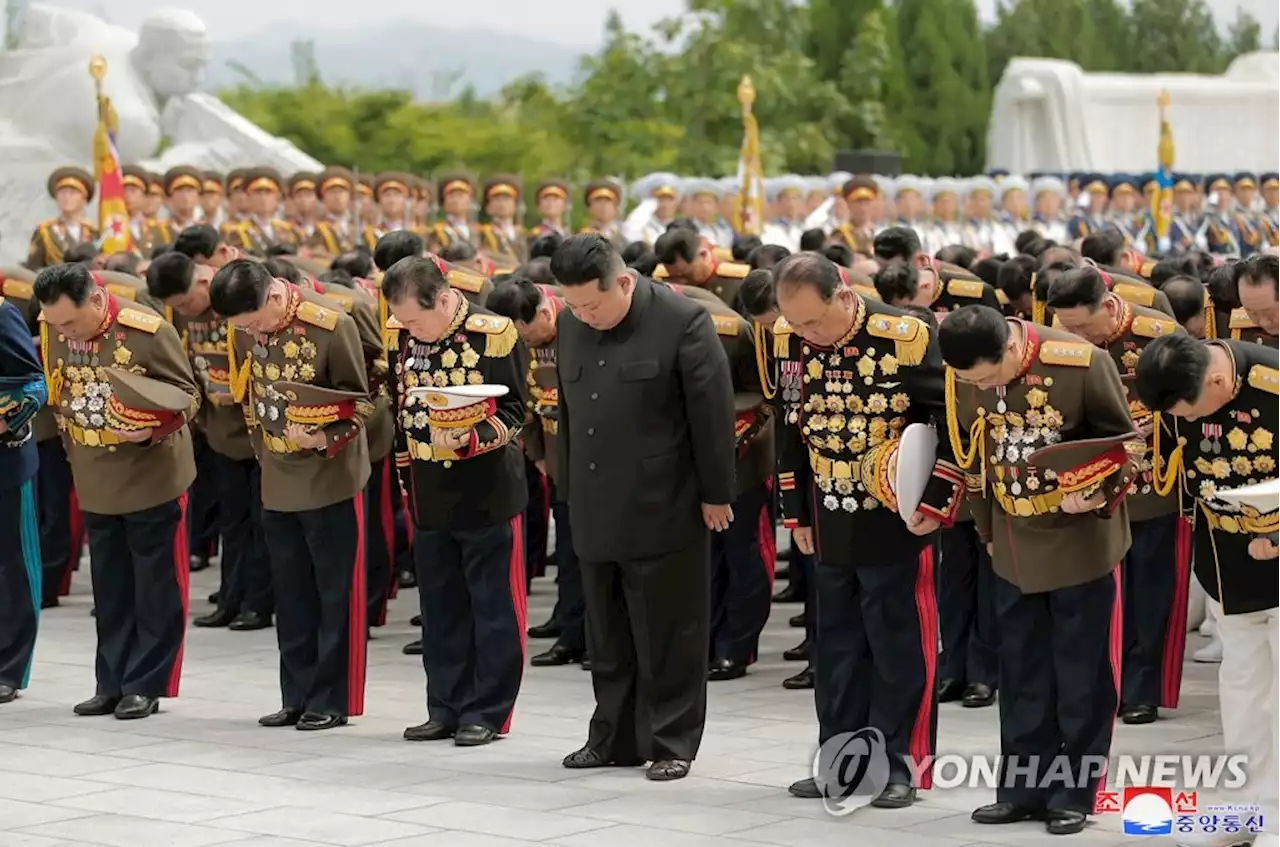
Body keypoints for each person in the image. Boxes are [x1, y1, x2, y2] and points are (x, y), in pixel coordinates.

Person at [772, 253, 963, 807]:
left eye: (814, 321)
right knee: (835, 645)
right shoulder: (792, 337)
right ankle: (840, 758)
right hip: (827, 512)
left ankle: (899, 763)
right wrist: (795, 511)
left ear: (843, 294)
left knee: (896, 639)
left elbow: (945, 420)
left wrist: (936, 501)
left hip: (894, 513)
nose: (806, 333)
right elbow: (791, 422)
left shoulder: (903, 335)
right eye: (796, 323)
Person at [940, 304, 1137, 835]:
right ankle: (1022, 790)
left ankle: (1075, 791)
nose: (983, 386)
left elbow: (1125, 445)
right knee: (1022, 671)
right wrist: (983, 530)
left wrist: (1095, 492)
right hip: (1011, 542)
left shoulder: (1079, 362)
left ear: (1009, 348)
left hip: (1079, 542)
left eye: (989, 376)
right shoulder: (963, 374)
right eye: (971, 380)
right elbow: (974, 458)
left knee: (1081, 673)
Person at [550, 234, 735, 781]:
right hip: (593, 502)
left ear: (624, 281)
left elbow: (712, 415)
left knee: (669, 632)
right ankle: (612, 737)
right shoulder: (570, 324)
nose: (584, 315)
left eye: (593, 304)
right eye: (574, 305)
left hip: (665, 503)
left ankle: (671, 739)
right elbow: (565, 410)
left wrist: (716, 493)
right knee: (606, 634)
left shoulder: (682, 320)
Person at [211, 258, 371, 731]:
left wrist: (324, 437)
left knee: (332, 592)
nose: (252, 333)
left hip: (328, 472)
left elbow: (362, 398)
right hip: (277, 474)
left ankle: (332, 698)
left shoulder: (329, 324)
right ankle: (296, 693)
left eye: (256, 321)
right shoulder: (243, 329)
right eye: (243, 327)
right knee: (292, 592)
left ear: (275, 296)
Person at [34, 263, 200, 719]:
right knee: (109, 587)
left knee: (154, 584)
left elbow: (187, 395)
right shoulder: (54, 329)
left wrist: (147, 432)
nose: (64, 331)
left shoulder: (145, 330)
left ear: (93, 300)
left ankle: (146, 683)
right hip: (94, 477)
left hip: (150, 473)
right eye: (55, 323)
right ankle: (109, 681)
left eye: (70, 321)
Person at [1135, 333, 1280, 847]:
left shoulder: (1272, 383)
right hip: (1228, 565)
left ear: (1218, 380)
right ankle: (1248, 805)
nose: (1189, 423)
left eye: (1192, 412)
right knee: (1242, 691)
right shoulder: (1178, 387)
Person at [383, 256, 529, 746]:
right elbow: (399, 405)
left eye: (415, 320)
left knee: (490, 605)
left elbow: (515, 411)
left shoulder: (493, 333)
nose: (409, 330)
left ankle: (486, 710)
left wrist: (471, 439)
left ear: (444, 299)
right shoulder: (401, 335)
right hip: (428, 490)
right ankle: (443, 705)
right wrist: (405, 472)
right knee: (441, 607)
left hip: (484, 487)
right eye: (402, 321)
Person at [1048, 266, 1190, 723]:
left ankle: (1142, 687)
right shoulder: (1059, 337)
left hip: (1149, 481)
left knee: (1150, 589)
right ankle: (1100, 683)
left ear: (1109, 308)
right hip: (1091, 482)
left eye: (1085, 328)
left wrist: (1156, 420)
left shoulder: (1159, 334)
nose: (1078, 337)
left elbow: (1189, 403)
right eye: (1069, 329)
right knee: (1098, 592)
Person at [146, 251, 273, 632]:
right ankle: (231, 597)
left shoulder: (236, 296)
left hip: (261, 432)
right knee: (232, 521)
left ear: (203, 282)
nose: (186, 310)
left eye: (187, 301)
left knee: (262, 522)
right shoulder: (179, 314)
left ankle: (258, 603)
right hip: (220, 432)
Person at [487, 276, 587, 667]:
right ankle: (570, 624)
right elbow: (522, 398)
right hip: (558, 458)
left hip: (595, 460)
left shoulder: (581, 325)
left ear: (546, 312)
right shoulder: (514, 338)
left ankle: (591, 635)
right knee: (568, 549)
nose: (525, 343)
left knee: (591, 553)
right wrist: (539, 455)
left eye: (527, 334)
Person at [0, 296, 47, 704]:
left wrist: (7, 417)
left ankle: (10, 667)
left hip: (4, 461)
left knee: (13, 566)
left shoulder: (2, 313)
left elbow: (35, 383)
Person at [652, 228, 750, 312]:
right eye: (674, 276)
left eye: (685, 275)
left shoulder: (736, 281)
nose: (681, 283)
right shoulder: (661, 279)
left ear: (703, 255)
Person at [27, 167, 99, 270]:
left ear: (84, 198)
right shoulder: (46, 232)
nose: (66, 197)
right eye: (62, 192)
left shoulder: (95, 232)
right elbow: (33, 268)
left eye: (73, 192)